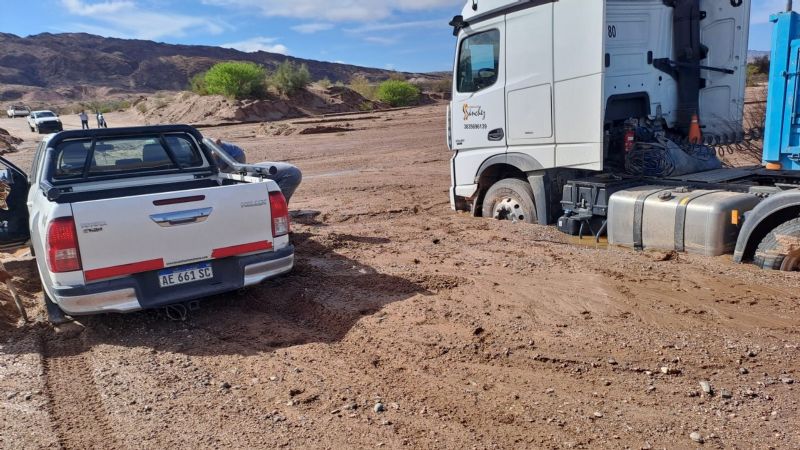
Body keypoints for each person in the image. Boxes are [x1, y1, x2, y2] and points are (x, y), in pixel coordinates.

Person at [213, 138, 302, 204]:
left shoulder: (252, 175)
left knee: (279, 198)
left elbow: (256, 192)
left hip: (291, 175)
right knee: (280, 195)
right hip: (291, 171)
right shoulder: (255, 169)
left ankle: (282, 213)